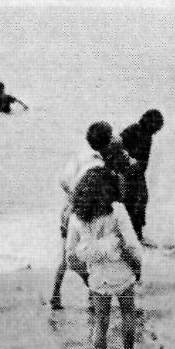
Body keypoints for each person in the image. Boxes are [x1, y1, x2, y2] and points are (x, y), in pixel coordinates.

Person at [66, 166, 143, 349]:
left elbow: (70, 255)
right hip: (122, 270)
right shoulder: (116, 210)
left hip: (98, 276)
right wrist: (137, 266)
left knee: (100, 322)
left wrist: (85, 277)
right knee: (128, 314)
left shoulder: (76, 217)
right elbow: (131, 243)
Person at [51, 121, 114, 310]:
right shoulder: (100, 162)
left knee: (66, 255)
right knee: (92, 253)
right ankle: (92, 295)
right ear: (107, 141)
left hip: (69, 209)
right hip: (88, 212)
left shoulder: (79, 157)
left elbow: (62, 180)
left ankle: (56, 295)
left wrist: (74, 194)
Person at [119, 109, 164, 245]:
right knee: (130, 202)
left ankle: (137, 234)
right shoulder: (133, 129)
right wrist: (128, 160)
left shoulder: (148, 135)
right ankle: (129, 236)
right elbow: (118, 145)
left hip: (137, 174)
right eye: (156, 125)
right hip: (126, 173)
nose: (157, 129)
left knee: (141, 201)